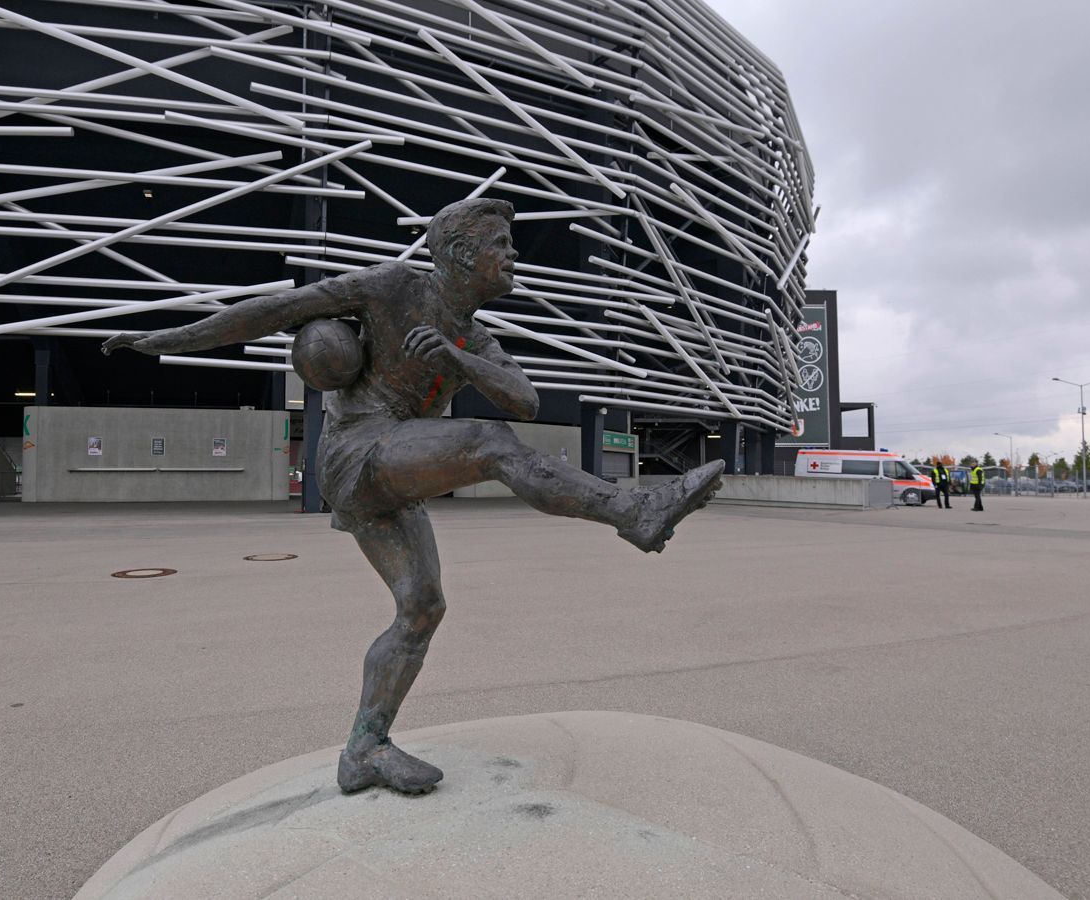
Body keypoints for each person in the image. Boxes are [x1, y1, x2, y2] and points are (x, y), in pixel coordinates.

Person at [103, 198, 723, 795]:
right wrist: (165, 341)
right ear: (457, 253)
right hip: (359, 451)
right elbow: (275, 311)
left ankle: (363, 750)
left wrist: (460, 358)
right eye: (500, 246)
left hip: (393, 474)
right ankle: (634, 513)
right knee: (487, 441)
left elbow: (526, 399)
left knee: (421, 609)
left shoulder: (474, 338)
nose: (513, 257)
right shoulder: (394, 287)